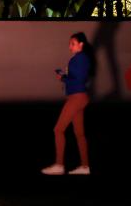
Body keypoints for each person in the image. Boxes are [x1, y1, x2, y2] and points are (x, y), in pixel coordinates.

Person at [41, 32, 93, 175]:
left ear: (81, 44)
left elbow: (78, 80)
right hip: (80, 97)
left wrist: (63, 78)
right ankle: (85, 167)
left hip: (76, 98)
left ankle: (59, 166)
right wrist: (64, 76)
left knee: (58, 130)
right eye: (69, 44)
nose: (70, 47)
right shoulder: (81, 58)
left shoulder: (80, 58)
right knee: (80, 134)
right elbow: (77, 77)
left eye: (73, 44)